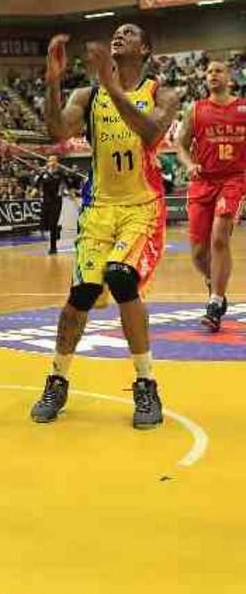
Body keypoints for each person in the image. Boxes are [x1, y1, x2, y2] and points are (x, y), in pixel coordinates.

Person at [30, 25, 178, 430]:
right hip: (99, 209)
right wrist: (53, 82)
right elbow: (57, 130)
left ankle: (146, 383)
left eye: (129, 32)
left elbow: (149, 134)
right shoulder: (87, 95)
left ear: (144, 48)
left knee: (121, 276)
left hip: (141, 207)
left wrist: (112, 87)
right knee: (81, 293)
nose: (119, 35)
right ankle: (57, 377)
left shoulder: (162, 93)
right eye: (116, 32)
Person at [175, 59, 246, 331]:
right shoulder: (196, 110)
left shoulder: (242, 108)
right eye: (208, 72)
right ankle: (215, 283)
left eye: (218, 71)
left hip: (233, 181)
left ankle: (215, 302)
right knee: (197, 254)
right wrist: (189, 164)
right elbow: (180, 145)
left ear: (229, 77)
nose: (212, 75)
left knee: (219, 237)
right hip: (202, 183)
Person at [36, 154, 66, 255]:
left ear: (57, 162)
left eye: (54, 160)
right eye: (50, 160)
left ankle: (53, 247)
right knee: (45, 224)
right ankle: (57, 230)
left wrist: (65, 192)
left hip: (56, 201)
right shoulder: (43, 173)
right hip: (45, 201)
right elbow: (37, 185)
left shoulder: (60, 173)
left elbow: (66, 184)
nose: (52, 162)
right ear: (47, 162)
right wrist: (36, 192)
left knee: (53, 224)